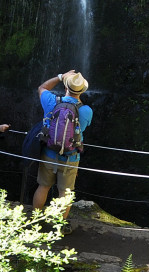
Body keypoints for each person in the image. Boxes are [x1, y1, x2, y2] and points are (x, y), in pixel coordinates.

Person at [33, 69, 92, 218]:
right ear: (82, 90)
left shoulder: (51, 101)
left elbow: (42, 88)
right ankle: (59, 227)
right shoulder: (86, 110)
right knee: (64, 193)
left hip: (48, 152)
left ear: (66, 87)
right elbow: (82, 128)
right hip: (70, 158)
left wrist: (60, 76)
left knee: (43, 186)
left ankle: (35, 220)